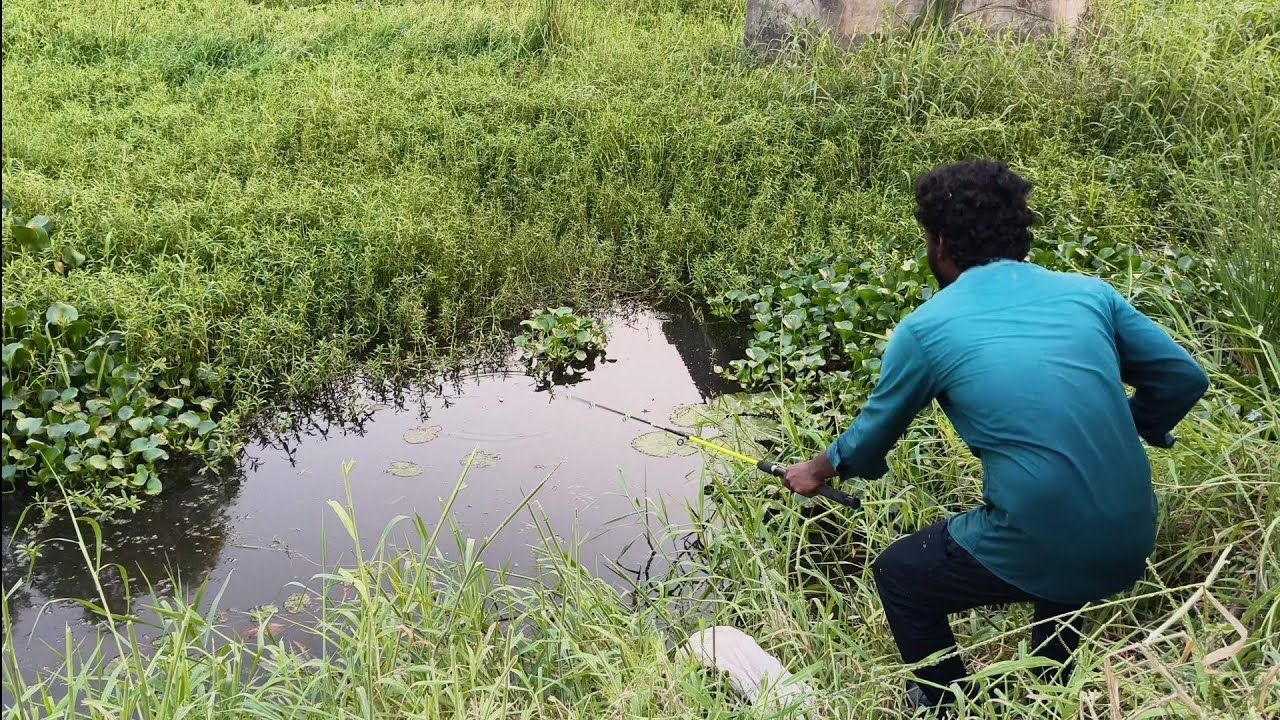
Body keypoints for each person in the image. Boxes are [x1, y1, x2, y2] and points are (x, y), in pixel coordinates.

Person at [781, 159, 1209, 714]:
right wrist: (1133, 425)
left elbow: (868, 441)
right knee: (1059, 539)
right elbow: (1183, 379)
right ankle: (1050, 689)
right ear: (1019, 234)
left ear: (938, 243)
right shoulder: (1090, 294)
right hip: (1131, 532)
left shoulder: (928, 327)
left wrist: (815, 471)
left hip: (1051, 535)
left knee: (901, 575)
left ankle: (944, 704)